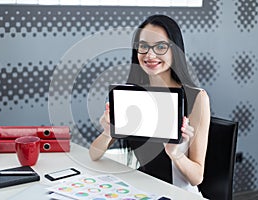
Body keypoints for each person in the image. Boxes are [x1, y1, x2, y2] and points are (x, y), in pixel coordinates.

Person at [89, 14, 210, 196]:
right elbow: (94, 155)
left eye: (161, 47)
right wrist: (108, 132)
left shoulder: (197, 97)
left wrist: (175, 153)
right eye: (143, 46)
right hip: (143, 191)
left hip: (179, 195)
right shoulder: (132, 95)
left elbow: (196, 178)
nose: (150, 55)